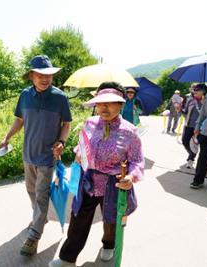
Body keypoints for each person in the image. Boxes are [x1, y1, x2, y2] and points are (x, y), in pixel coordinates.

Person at [49, 84, 144, 267]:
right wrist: (77, 154)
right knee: (78, 220)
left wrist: (131, 177)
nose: (103, 108)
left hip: (114, 184)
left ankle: (108, 245)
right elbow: (82, 146)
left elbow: (137, 161)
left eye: (109, 103)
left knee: (111, 221)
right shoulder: (90, 123)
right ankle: (67, 258)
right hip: (88, 181)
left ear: (120, 105)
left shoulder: (130, 131)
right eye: (100, 103)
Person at [0, 55, 72, 256]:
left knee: (41, 196)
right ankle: (41, 218)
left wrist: (61, 142)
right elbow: (19, 120)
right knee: (31, 191)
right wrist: (7, 137)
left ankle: (34, 236)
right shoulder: (24, 96)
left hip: (48, 157)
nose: (45, 78)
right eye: (40, 74)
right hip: (28, 155)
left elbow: (66, 124)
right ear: (31, 75)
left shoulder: (60, 98)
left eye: (48, 74)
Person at [181, 84, 207, 168]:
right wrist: (179, 110)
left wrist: (204, 103)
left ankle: (191, 159)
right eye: (194, 89)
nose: (194, 91)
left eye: (197, 90)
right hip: (189, 125)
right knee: (185, 142)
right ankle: (192, 154)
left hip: (201, 127)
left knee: (195, 144)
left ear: (203, 92)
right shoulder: (190, 100)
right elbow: (185, 113)